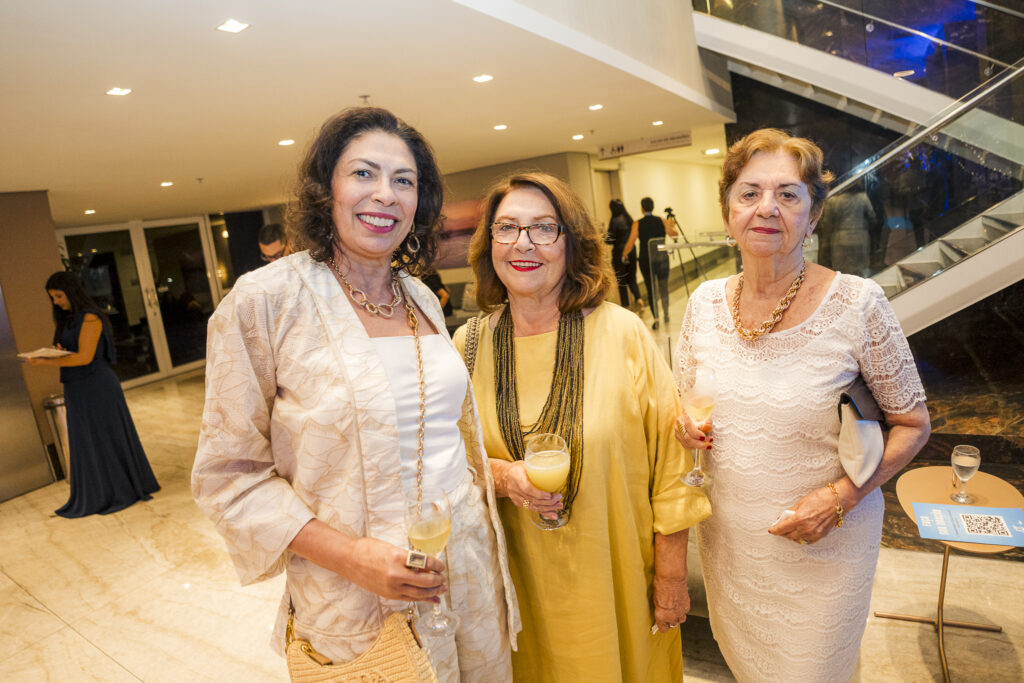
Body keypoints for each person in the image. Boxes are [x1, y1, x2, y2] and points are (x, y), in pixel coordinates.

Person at [191, 107, 518, 682]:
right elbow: (228, 477)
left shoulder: (419, 296)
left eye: (404, 180)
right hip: (353, 592)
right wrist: (352, 557)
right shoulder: (265, 301)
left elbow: (432, 436)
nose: (385, 194)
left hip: (464, 566)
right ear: (327, 190)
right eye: (363, 174)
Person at [674, 128, 931, 681]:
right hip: (732, 547)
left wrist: (841, 497)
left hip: (827, 545)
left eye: (788, 194)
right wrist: (685, 427)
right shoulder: (701, 304)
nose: (767, 207)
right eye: (749, 193)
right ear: (727, 213)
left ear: (813, 216)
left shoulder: (859, 303)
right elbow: (683, 405)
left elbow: (913, 424)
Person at [453, 171, 710, 682]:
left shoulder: (622, 332)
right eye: (507, 228)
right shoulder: (468, 345)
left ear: (571, 243)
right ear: (489, 246)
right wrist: (505, 478)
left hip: (617, 579)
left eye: (543, 228)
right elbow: (449, 461)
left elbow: (672, 464)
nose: (523, 244)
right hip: (515, 590)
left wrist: (672, 577)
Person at [26, 271, 159, 517]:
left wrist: (46, 360)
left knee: (105, 437)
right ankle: (101, 490)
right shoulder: (69, 319)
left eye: (58, 296)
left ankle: (119, 490)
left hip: (97, 386)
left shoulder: (90, 318)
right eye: (52, 298)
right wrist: (58, 352)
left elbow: (85, 358)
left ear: (71, 292)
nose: (56, 302)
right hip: (77, 386)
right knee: (88, 440)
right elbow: (73, 353)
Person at [623, 196, 678, 328]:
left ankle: (656, 318)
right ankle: (666, 313)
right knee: (663, 287)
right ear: (652, 207)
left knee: (650, 288)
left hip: (646, 260)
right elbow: (674, 234)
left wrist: (624, 254)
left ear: (642, 208)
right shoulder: (662, 220)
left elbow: (631, 242)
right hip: (662, 258)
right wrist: (672, 225)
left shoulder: (637, 224)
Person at [605, 199, 643, 310]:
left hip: (619, 253)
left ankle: (626, 307)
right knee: (632, 278)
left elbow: (610, 239)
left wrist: (603, 237)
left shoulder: (614, 221)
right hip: (631, 251)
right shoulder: (629, 219)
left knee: (622, 282)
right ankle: (639, 300)